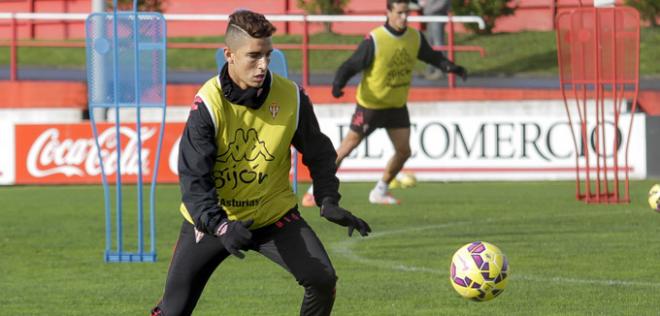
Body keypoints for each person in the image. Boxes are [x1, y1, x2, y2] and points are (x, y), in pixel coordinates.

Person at [151, 10, 371, 316]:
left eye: (268, 54)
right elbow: (194, 182)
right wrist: (221, 225)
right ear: (228, 54)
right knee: (172, 311)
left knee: (322, 279)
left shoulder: (292, 97)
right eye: (254, 56)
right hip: (214, 222)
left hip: (273, 216)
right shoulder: (208, 106)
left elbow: (319, 153)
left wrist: (328, 198)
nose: (263, 65)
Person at [302, 0, 467, 207]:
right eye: (400, 12)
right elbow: (352, 64)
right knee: (346, 148)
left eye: (407, 13)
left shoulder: (414, 37)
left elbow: (432, 57)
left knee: (404, 151)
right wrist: (338, 83)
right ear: (388, 12)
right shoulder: (376, 39)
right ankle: (314, 191)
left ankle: (380, 191)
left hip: (396, 106)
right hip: (371, 105)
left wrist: (452, 67)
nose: (404, 17)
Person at [422, 0, 452, 80]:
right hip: (430, 16)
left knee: (438, 44)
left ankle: (441, 70)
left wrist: (429, 9)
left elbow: (443, 3)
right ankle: (431, 69)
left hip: (438, 15)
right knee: (430, 44)